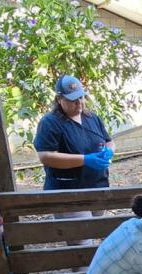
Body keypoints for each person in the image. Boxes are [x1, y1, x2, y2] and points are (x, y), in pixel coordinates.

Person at [33, 75, 115, 245]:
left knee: (97, 236)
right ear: (59, 99)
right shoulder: (50, 122)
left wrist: (109, 151)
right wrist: (85, 160)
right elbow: (46, 156)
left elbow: (109, 140)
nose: (78, 103)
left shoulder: (91, 117)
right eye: (72, 100)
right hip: (69, 191)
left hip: (98, 186)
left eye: (80, 97)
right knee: (81, 244)